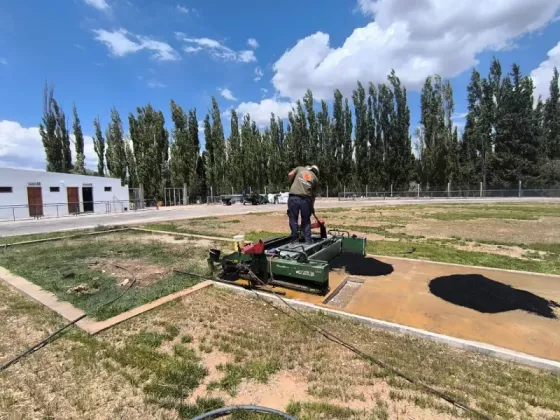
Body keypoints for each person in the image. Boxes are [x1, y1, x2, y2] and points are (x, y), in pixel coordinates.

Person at [287, 165, 319, 244]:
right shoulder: (315, 178)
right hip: (306, 199)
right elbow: (313, 196)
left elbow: (290, 175)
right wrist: (311, 207)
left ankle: (295, 240)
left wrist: (291, 182)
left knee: (293, 218)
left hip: (294, 197)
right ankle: (308, 241)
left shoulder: (300, 168)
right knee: (306, 220)